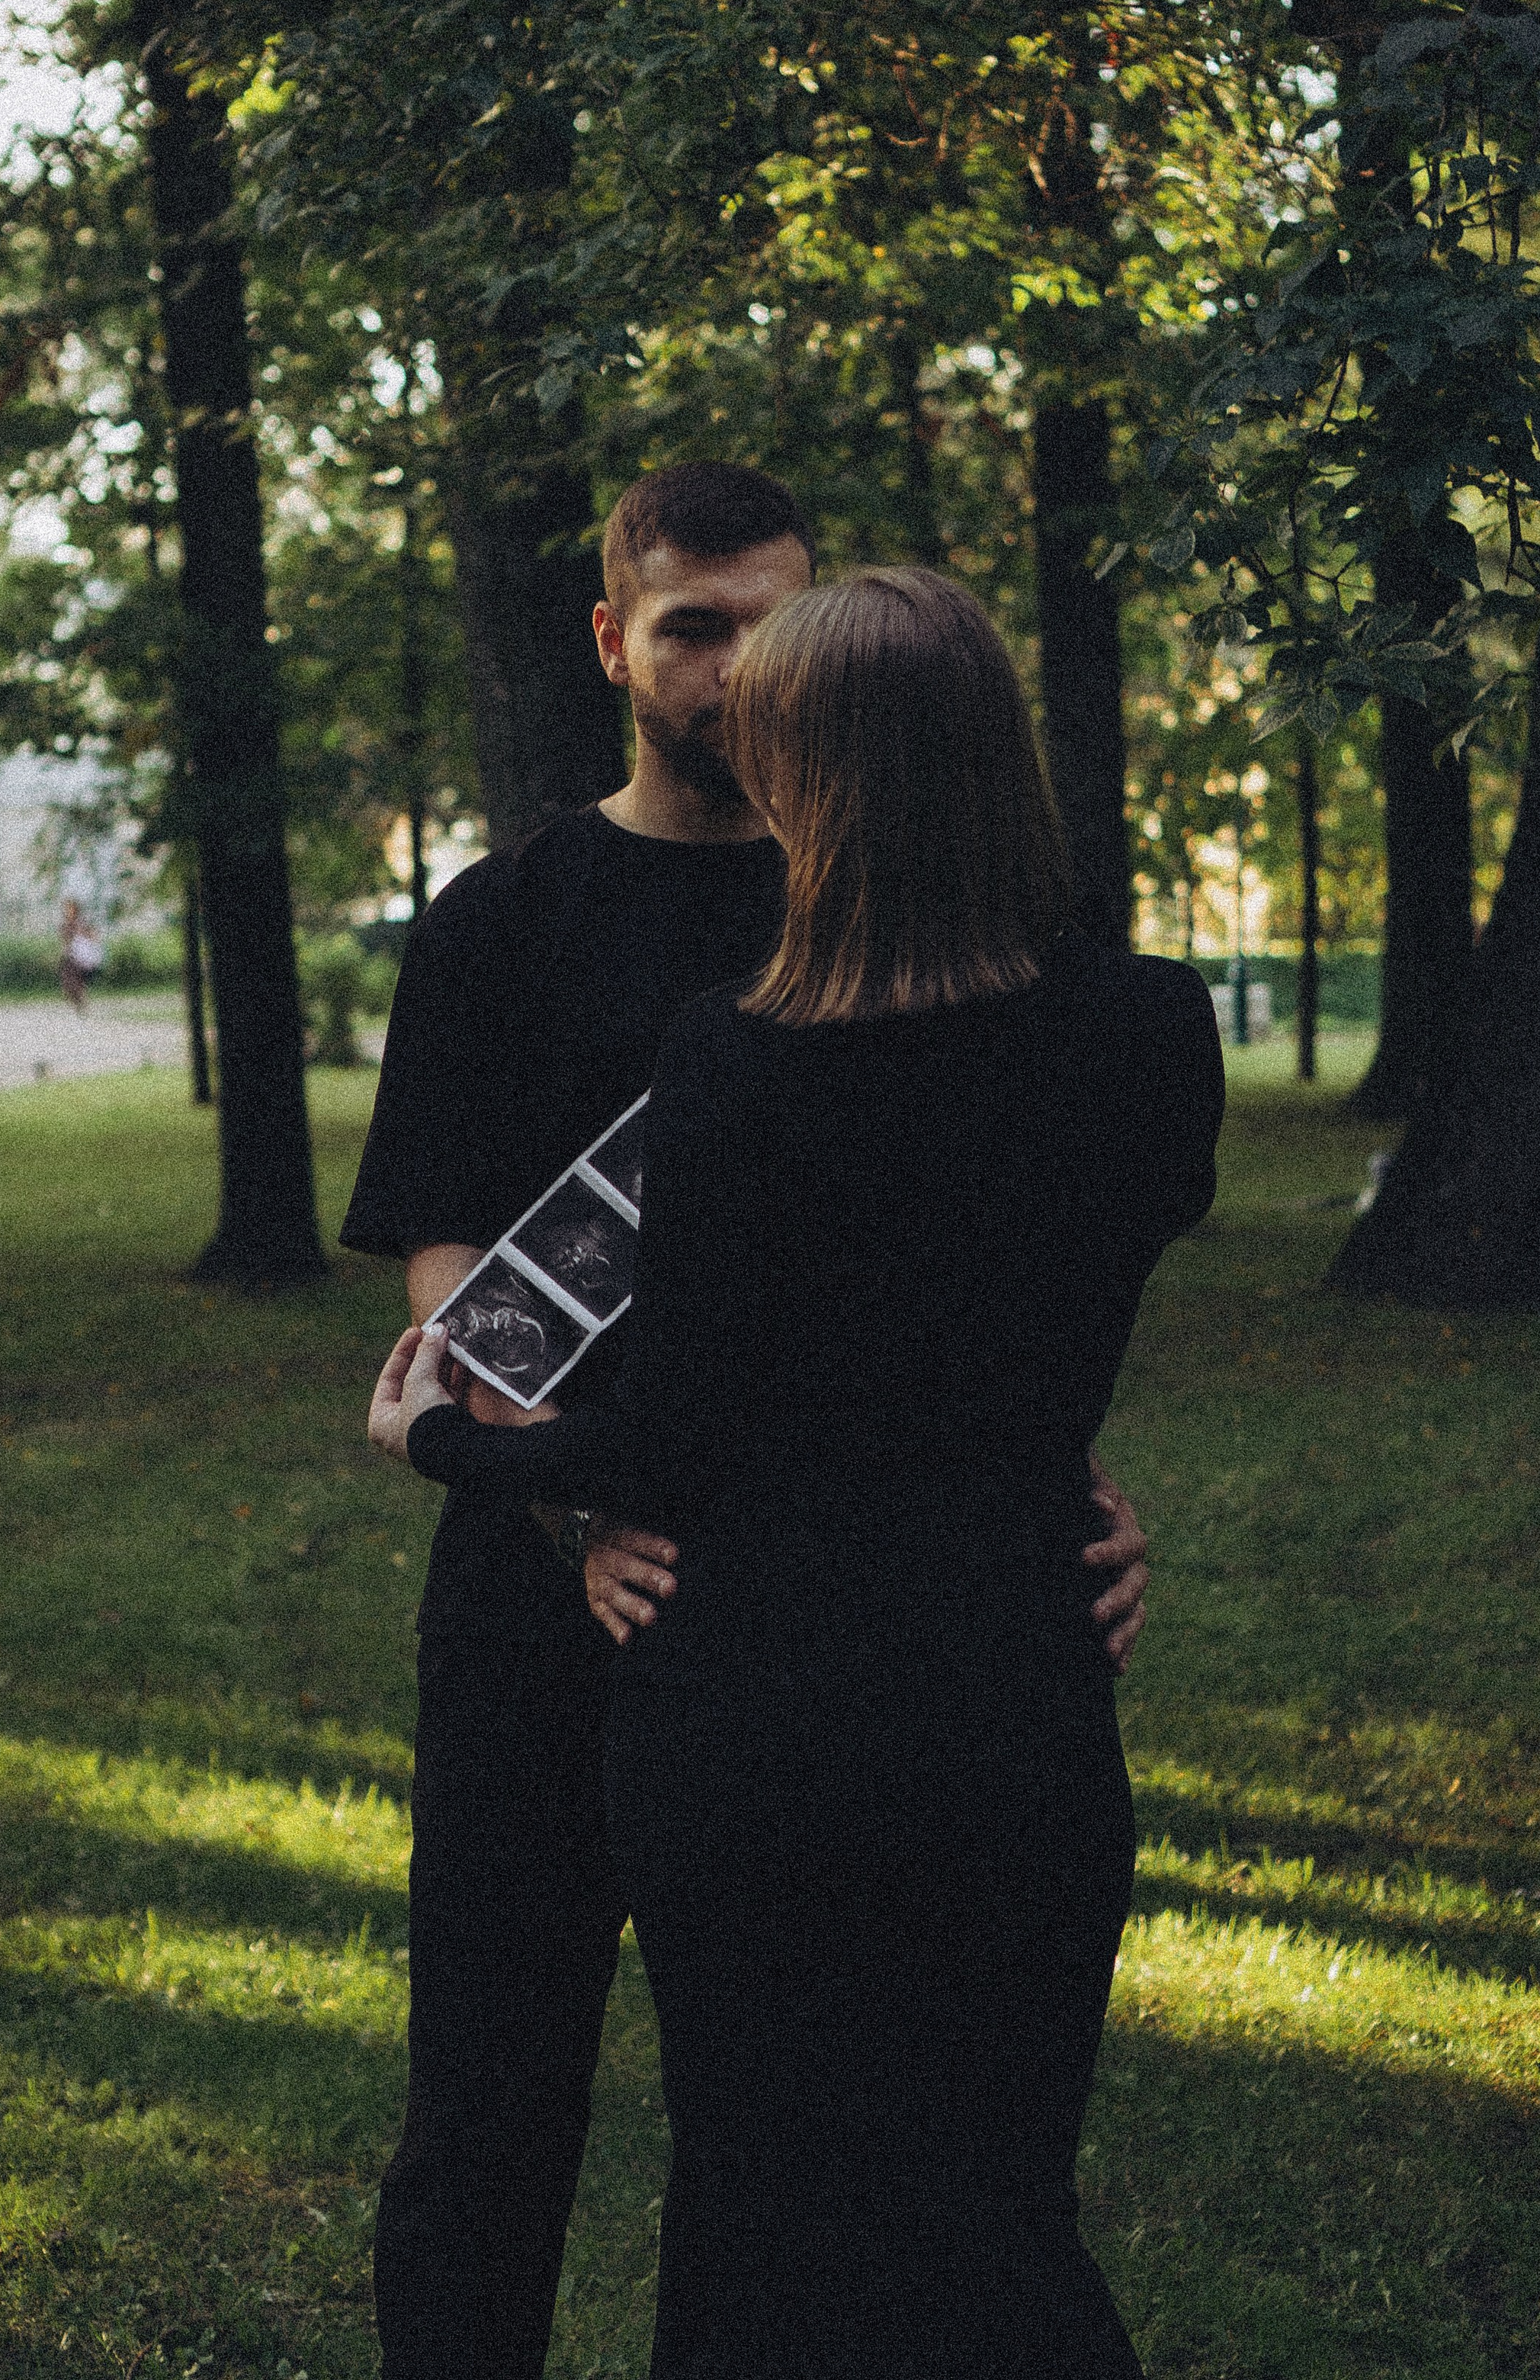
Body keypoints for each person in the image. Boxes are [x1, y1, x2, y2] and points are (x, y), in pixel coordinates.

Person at [342, 471, 1153, 2380]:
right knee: (487, 2105)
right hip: (554, 1597)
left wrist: (1064, 1488)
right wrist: (571, 1520)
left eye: (773, 625)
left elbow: (982, 1272)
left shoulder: (908, 904)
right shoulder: (497, 924)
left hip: (803, 1633)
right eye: (694, 625)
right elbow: (453, 1282)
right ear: (617, 639)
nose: (734, 669)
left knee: (779, 2134)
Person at [59, 898, 103, 1011]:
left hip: (82, 956)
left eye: (71, 909)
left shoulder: (81, 922)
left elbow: (92, 935)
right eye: (67, 910)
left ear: (75, 910)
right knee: (68, 982)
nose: (68, 912)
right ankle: (79, 1002)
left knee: (75, 980)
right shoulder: (67, 925)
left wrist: (92, 941)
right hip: (71, 956)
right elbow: (65, 941)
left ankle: (81, 1002)